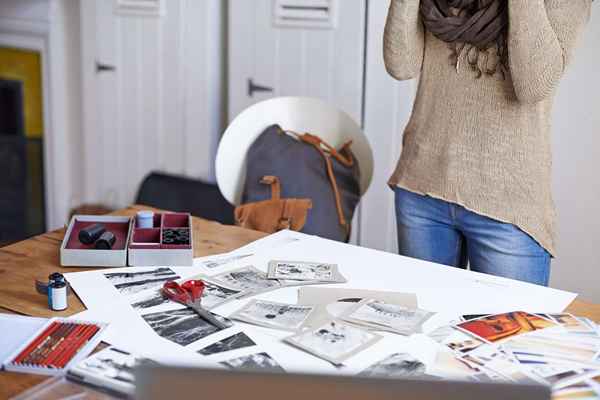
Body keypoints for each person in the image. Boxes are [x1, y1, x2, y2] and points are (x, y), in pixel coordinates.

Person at [384, 0, 591, 285]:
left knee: (512, 330)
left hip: (508, 206)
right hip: (422, 187)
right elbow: (400, 65)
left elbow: (532, 86)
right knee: (422, 327)